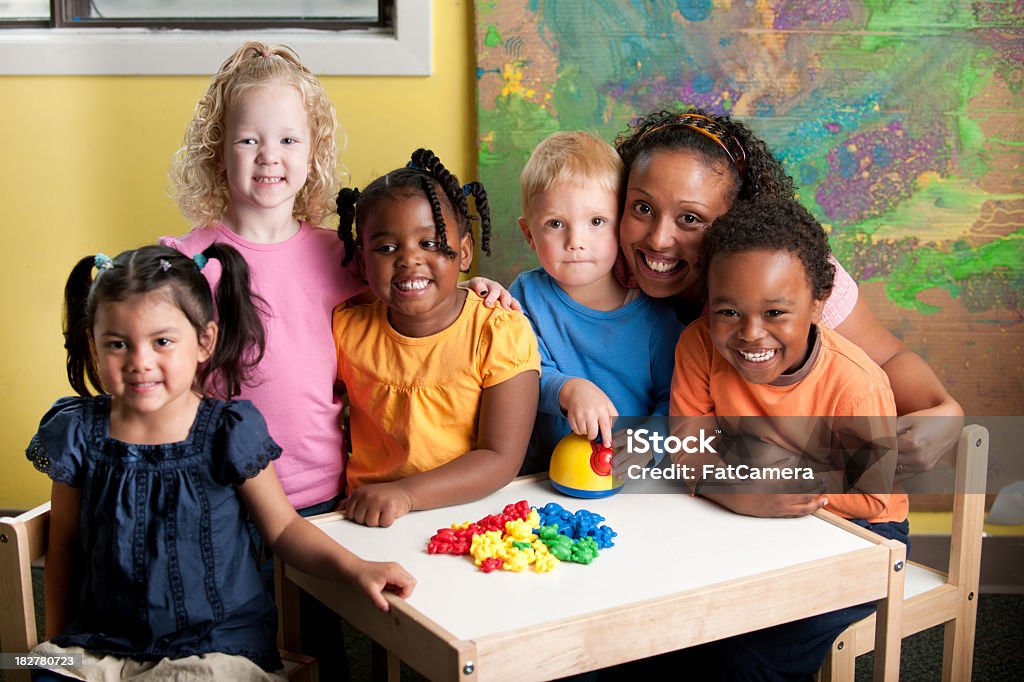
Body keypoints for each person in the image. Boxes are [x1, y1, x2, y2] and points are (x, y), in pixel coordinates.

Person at [162, 41, 505, 677]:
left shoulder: (337, 256)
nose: (270, 156)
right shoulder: (188, 260)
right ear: (218, 150)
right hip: (217, 491)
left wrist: (478, 287)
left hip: (319, 494)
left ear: (314, 152)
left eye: (289, 140)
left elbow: (410, 290)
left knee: (320, 648)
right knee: (231, 644)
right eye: (248, 141)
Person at [26, 245, 414, 682]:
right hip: (103, 643)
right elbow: (63, 545)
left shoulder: (227, 431)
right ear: (92, 342)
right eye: (117, 344)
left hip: (213, 647)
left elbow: (284, 529)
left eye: (162, 342)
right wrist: (55, 645)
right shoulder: (79, 432)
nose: (139, 362)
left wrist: (357, 568)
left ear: (203, 342)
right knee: (35, 670)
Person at [612, 106, 963, 482]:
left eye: (691, 219)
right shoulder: (596, 263)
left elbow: (888, 358)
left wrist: (946, 414)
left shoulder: (787, 278)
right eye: (643, 208)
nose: (659, 239)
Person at [662, 195, 909, 680]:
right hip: (751, 518)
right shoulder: (697, 346)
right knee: (674, 622)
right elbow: (687, 455)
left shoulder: (855, 383)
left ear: (818, 303)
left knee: (748, 651)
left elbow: (871, 497)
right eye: (728, 312)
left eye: (775, 313)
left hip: (861, 536)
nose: (751, 334)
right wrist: (744, 493)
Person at [334, 148, 541, 528]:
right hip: (364, 519)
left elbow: (501, 458)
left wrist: (406, 494)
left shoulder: (499, 331)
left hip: (469, 517)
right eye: (386, 248)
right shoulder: (347, 329)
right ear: (362, 261)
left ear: (463, 253)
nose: (408, 259)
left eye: (429, 243)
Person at [508, 131, 682, 474]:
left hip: (633, 477)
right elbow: (517, 372)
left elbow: (676, 399)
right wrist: (567, 389)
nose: (576, 242)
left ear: (621, 226)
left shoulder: (655, 314)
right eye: (555, 224)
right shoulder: (525, 296)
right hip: (545, 478)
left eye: (596, 222)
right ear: (529, 234)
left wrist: (648, 443)